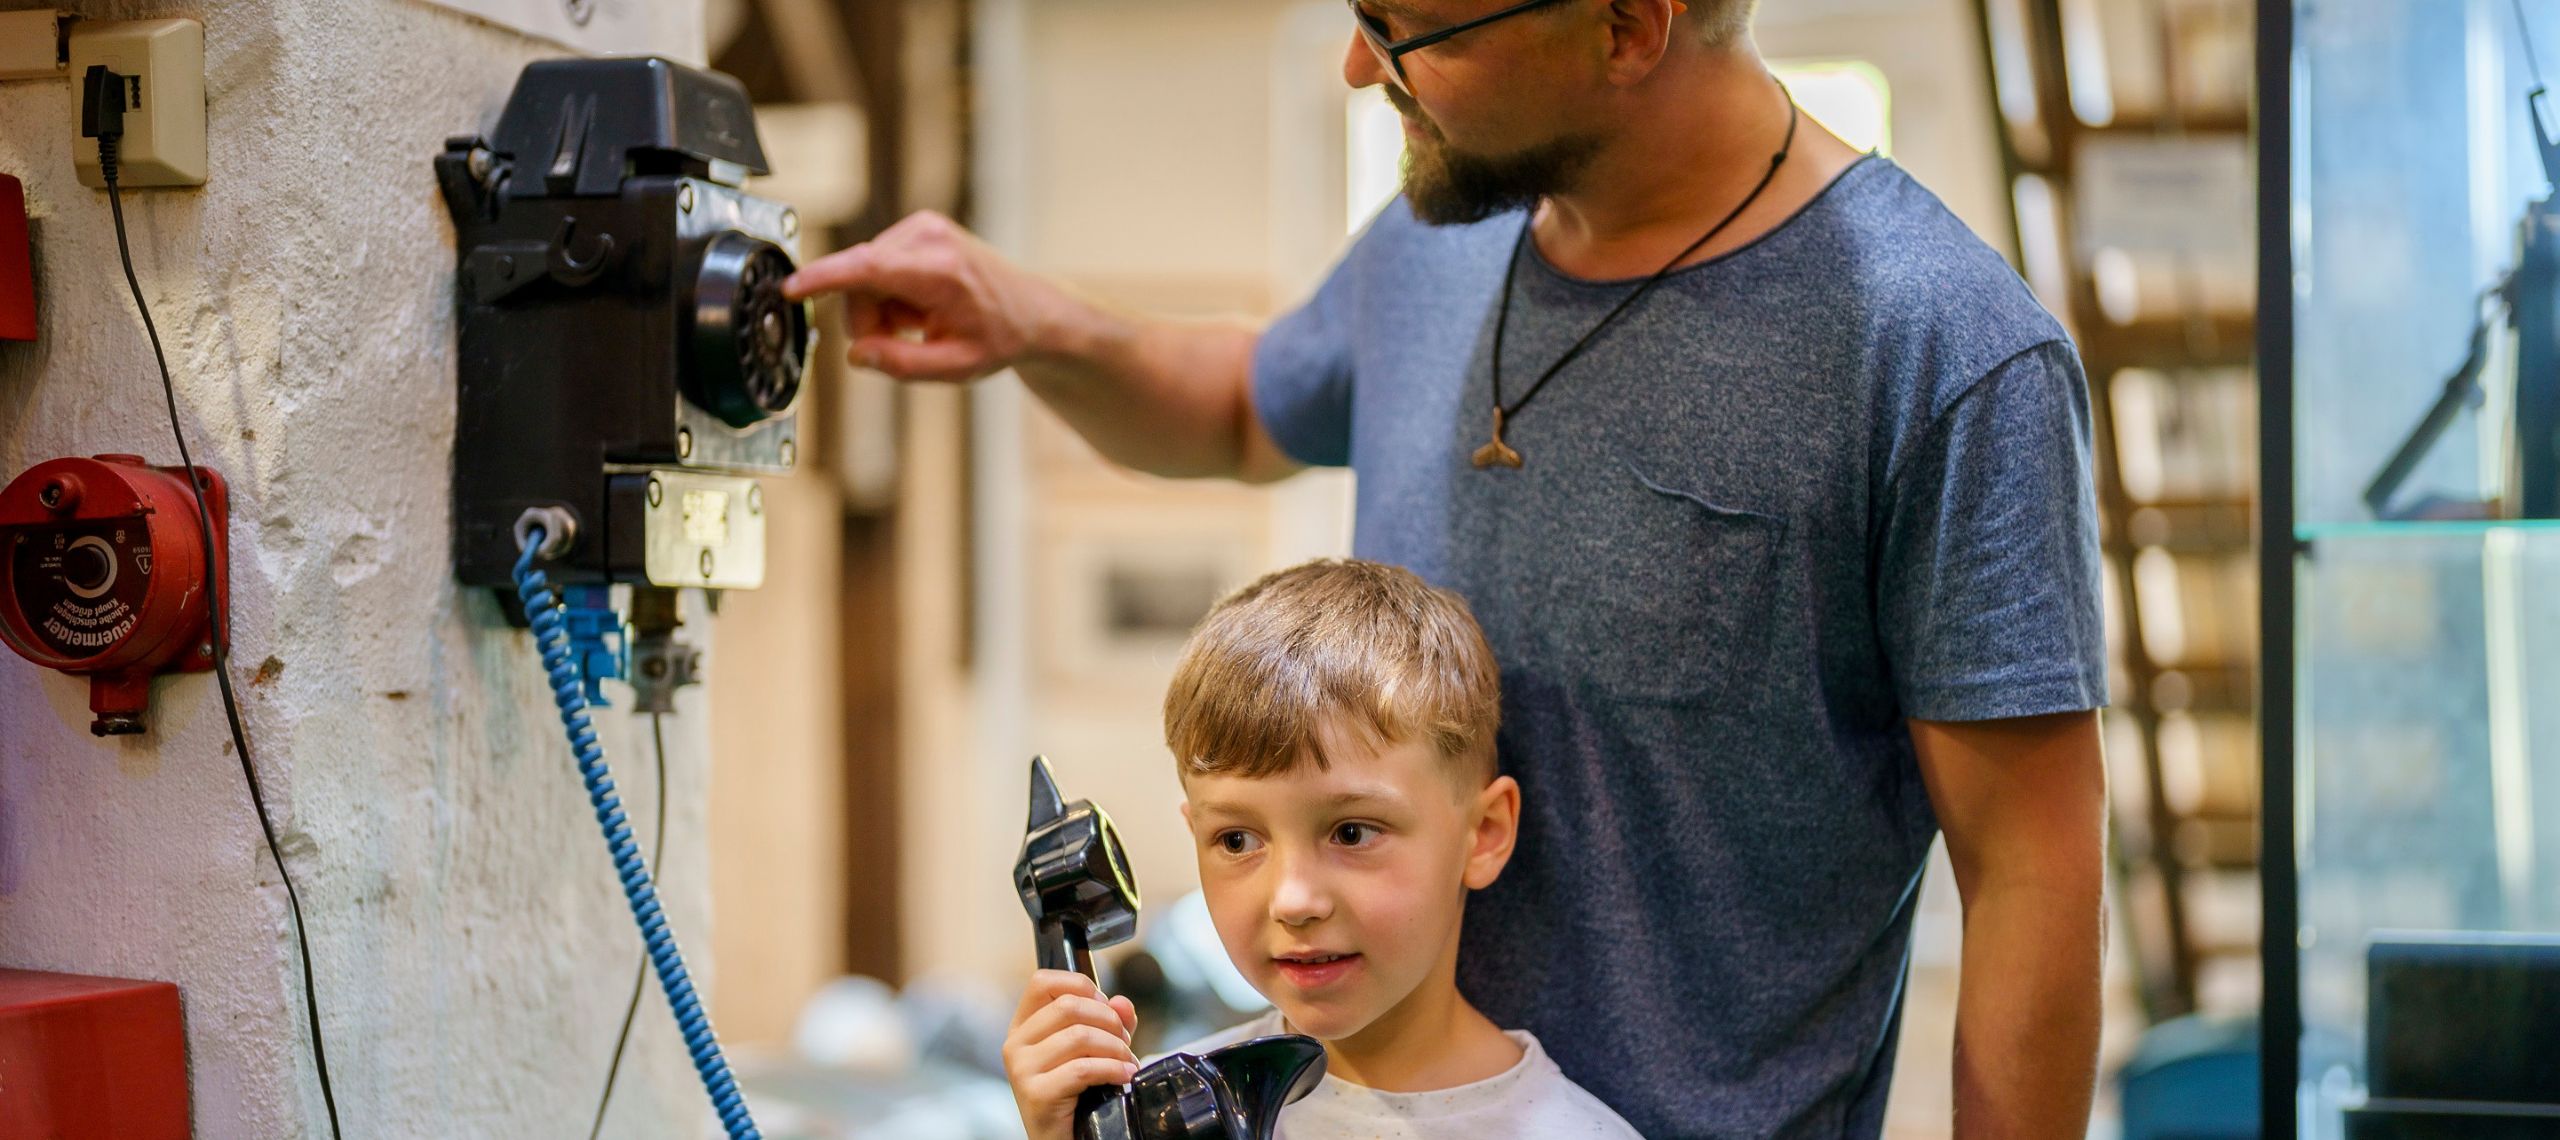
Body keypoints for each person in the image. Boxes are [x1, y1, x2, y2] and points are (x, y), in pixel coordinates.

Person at [787, 2, 2110, 1135]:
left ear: (1628, 24)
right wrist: (1033, 323)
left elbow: (2030, 878)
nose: (1363, 69)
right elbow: (1249, 407)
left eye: (1405, 32)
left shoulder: (1944, 351)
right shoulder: (1437, 238)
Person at [1002, 559, 1642, 1140]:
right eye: (1237, 839)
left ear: (1485, 834)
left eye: (1352, 832)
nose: (1293, 900)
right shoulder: (1162, 1114)